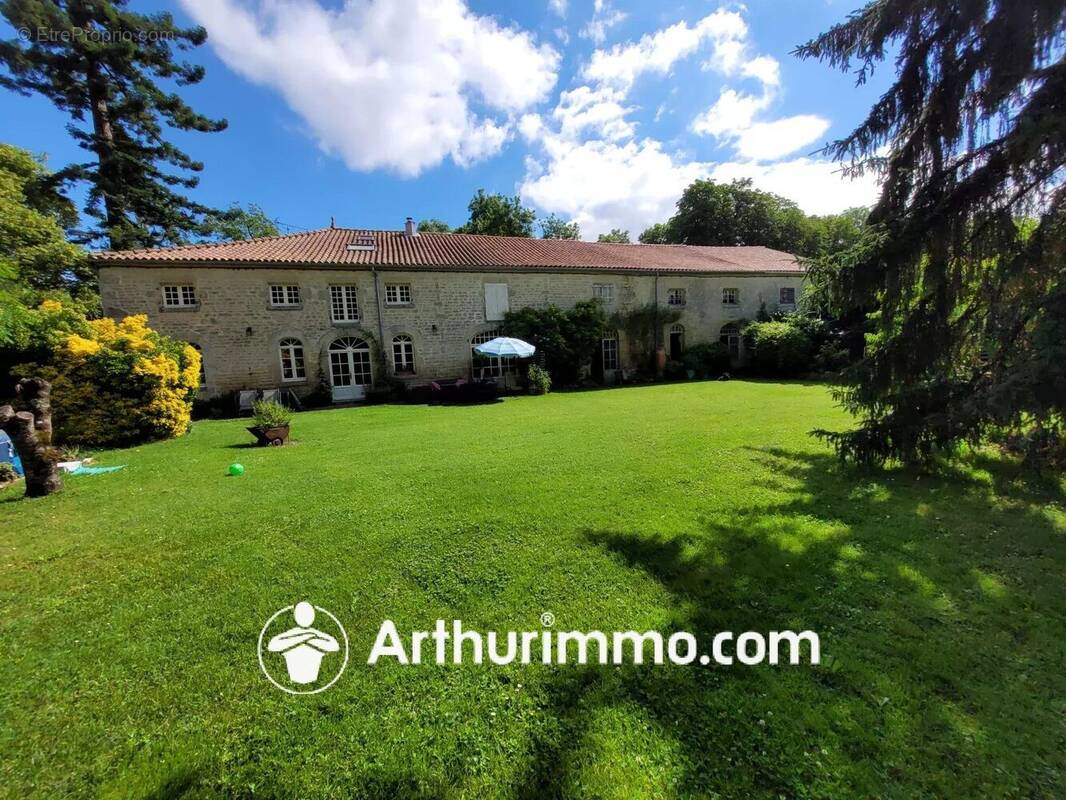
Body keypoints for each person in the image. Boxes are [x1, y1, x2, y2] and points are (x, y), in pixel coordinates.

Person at [267, 601, 339, 684]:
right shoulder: (296, 633)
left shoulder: (315, 633)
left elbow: (334, 646)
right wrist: (307, 636)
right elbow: (272, 645)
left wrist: (309, 637)